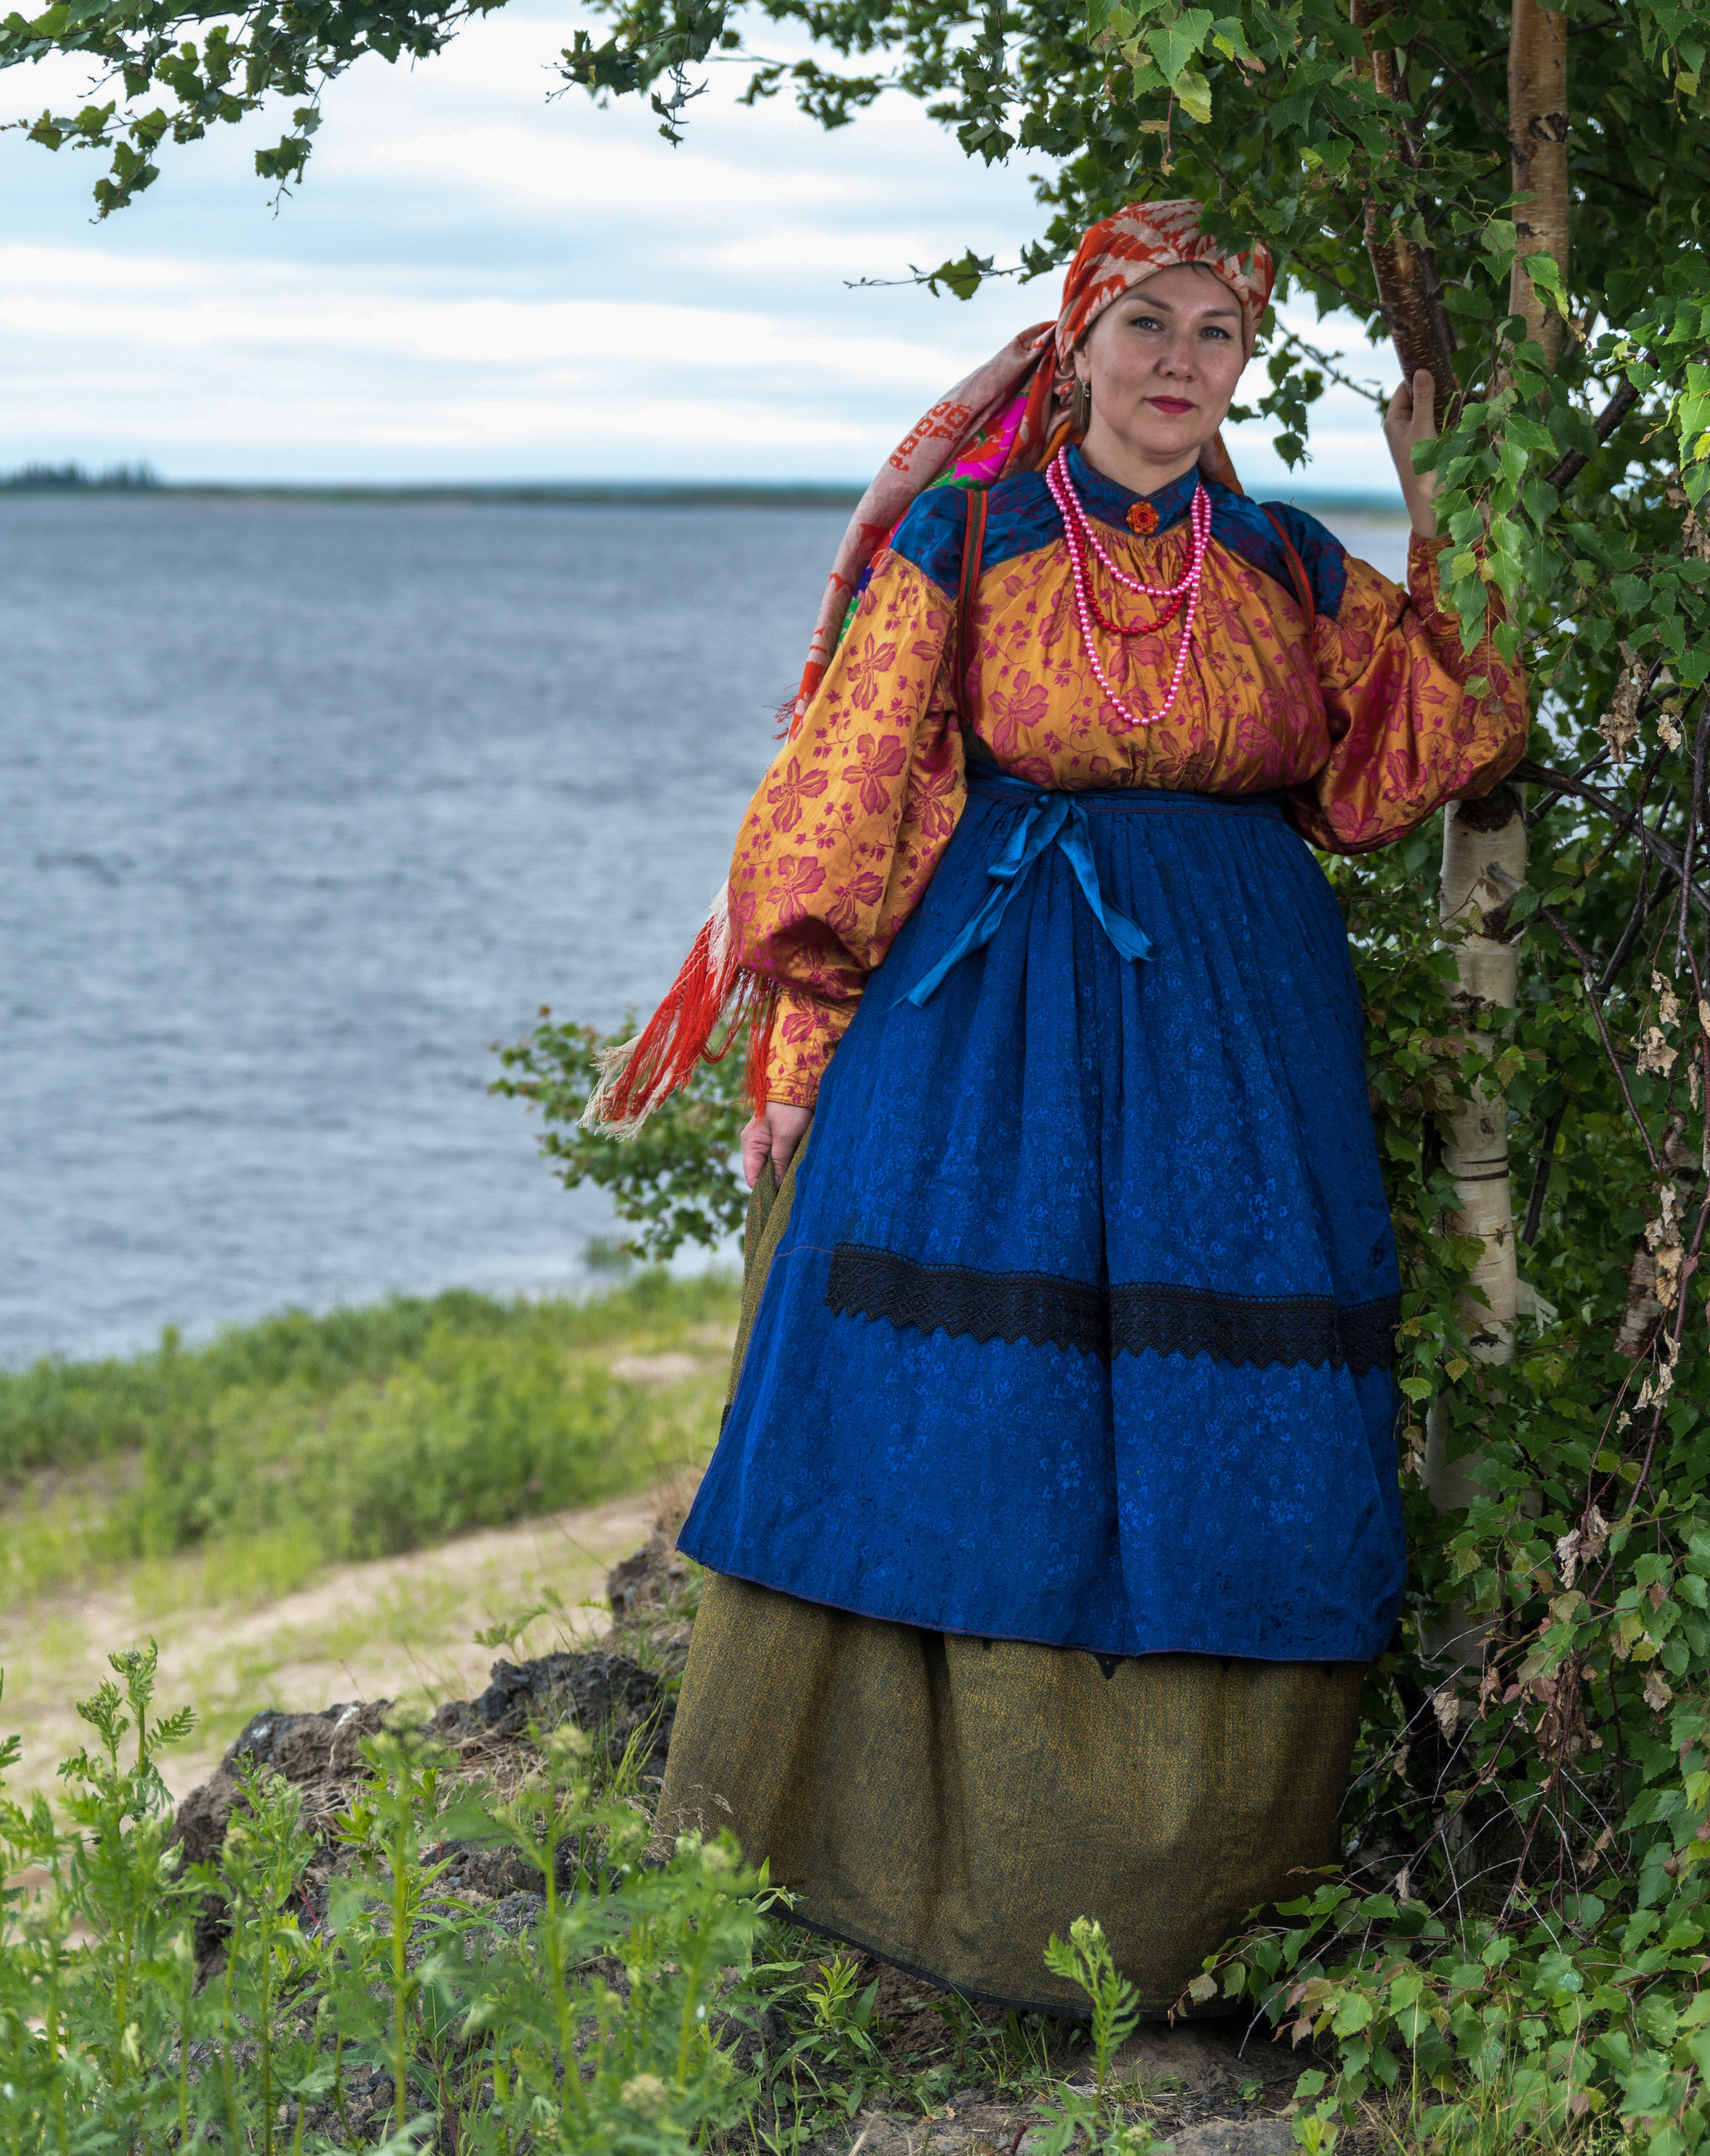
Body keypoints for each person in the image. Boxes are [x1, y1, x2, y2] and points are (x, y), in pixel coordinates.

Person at [600, 199, 1525, 2016]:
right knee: (970, 1404)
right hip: (990, 1035)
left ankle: (1212, 1896)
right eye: (1151, 326)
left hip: (1240, 1049)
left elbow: (1428, 743)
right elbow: (853, 779)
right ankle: (915, 1871)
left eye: (1219, 336)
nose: (1183, 365)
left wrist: (1447, 515)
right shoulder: (975, 533)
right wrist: (798, 1042)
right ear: (1078, 340)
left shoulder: (1278, 557)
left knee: (1224, 1423)